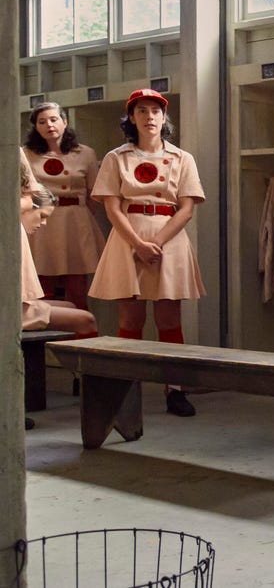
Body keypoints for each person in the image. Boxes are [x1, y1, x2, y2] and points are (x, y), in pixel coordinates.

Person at [89, 89, 205, 417]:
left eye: (156, 110)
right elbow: (111, 207)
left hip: (170, 236)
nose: (149, 116)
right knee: (131, 317)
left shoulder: (183, 158)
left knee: (169, 317)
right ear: (132, 117)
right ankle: (129, 387)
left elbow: (186, 208)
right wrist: (138, 244)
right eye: (142, 110)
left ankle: (176, 389)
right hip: (128, 236)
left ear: (164, 117)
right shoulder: (116, 158)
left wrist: (158, 242)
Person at [19, 152, 99, 430]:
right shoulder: (14, 231)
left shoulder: (20, 230)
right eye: (41, 217)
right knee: (84, 319)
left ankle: (88, 381)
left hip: (23, 305)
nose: (42, 224)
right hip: (16, 310)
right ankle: (96, 390)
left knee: (73, 306)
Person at [22, 102, 107, 311]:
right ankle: (43, 339)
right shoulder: (25, 154)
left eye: (53, 119)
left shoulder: (85, 153)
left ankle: (80, 336)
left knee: (77, 286)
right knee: (41, 285)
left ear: (65, 122)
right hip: (40, 222)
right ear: (35, 127)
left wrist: (79, 212)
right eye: (42, 122)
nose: (49, 125)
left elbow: (95, 192)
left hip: (75, 221)